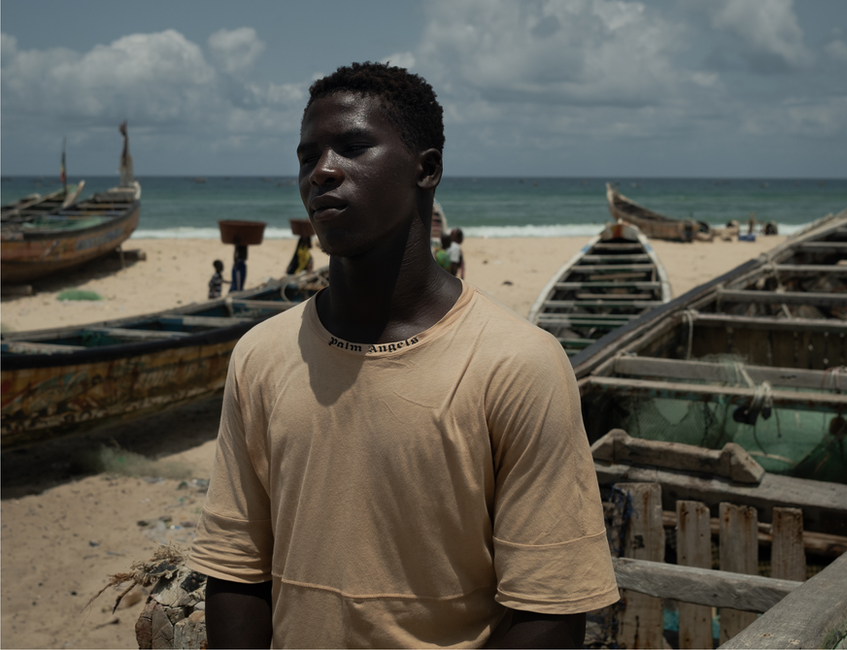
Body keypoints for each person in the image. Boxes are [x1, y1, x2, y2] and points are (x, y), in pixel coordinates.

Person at [188, 62, 617, 648]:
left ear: (428, 169)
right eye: (306, 156)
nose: (322, 172)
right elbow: (237, 567)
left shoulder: (518, 364)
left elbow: (549, 606)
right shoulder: (262, 355)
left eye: (353, 147)